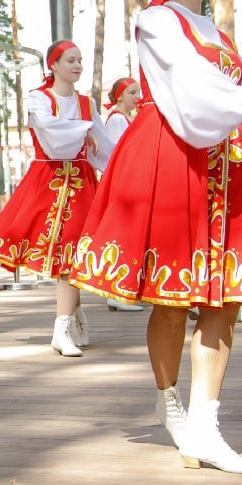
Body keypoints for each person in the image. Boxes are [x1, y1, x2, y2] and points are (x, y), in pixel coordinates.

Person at [70, 0, 242, 473]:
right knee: (175, 296)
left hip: (222, 163)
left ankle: (206, 425)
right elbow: (192, 82)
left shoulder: (217, 33)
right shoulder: (155, 21)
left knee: (224, 294)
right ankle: (169, 398)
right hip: (173, 155)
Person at [0, 41, 107, 356]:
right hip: (48, 184)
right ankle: (62, 327)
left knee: (76, 254)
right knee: (68, 258)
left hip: (81, 185)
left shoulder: (86, 103)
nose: (77, 66)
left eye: (80, 60)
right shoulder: (40, 99)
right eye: (70, 60)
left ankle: (73, 316)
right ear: (53, 65)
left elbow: (105, 145)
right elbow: (54, 139)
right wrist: (84, 129)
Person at [91, 76, 145, 313]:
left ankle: (123, 289)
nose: (137, 97)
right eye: (132, 92)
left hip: (128, 184)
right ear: (120, 95)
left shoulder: (123, 119)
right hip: (124, 186)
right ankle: (117, 291)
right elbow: (116, 156)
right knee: (123, 236)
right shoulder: (117, 121)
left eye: (138, 92)